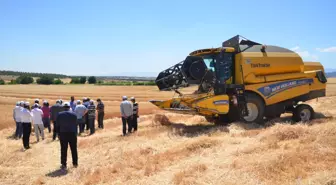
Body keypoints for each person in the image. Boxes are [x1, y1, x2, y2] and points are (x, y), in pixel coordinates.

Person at [56, 102, 78, 170]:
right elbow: (76, 124)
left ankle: (63, 164)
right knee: (73, 149)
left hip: (63, 133)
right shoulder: (74, 114)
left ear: (63, 107)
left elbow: (57, 125)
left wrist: (58, 134)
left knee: (63, 149)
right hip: (72, 133)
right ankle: (75, 163)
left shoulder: (60, 114)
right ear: (69, 107)